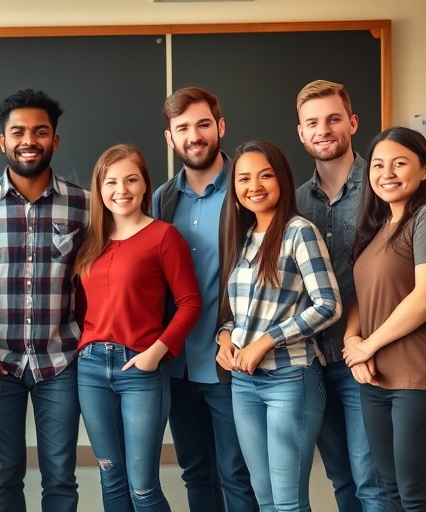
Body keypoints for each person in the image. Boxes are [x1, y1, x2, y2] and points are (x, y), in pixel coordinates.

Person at [0, 89, 89, 512]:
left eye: (40, 132)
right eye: (19, 132)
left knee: (61, 477)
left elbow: (95, 287)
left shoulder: (85, 207)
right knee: (5, 474)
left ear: (55, 140)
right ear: (3, 141)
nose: (29, 140)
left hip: (62, 360)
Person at [343, 127, 426, 512]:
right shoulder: (379, 229)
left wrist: (369, 344)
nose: (387, 173)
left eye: (400, 163)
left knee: (417, 497)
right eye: (378, 165)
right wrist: (352, 343)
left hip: (421, 376)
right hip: (377, 378)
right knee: (393, 492)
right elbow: (362, 298)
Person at [75, 144, 201, 511]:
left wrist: (155, 353)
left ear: (146, 185)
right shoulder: (91, 242)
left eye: (131, 180)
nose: (122, 189)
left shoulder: (164, 236)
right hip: (92, 369)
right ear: (99, 189)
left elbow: (190, 303)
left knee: (142, 487)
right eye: (111, 182)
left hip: (140, 369)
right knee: (111, 479)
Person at [216, 140, 341, 511]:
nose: (254, 185)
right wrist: (225, 338)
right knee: (265, 496)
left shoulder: (298, 231)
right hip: (244, 382)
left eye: (265, 175)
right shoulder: (242, 239)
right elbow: (238, 314)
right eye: (244, 178)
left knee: (287, 502)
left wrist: (266, 341)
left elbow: (328, 304)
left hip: (291, 380)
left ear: (282, 180)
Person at [151, 87, 258, 512]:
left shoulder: (248, 189)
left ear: (220, 127)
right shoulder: (162, 199)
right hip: (177, 363)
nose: (194, 136)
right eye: (183, 128)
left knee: (237, 473)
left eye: (202, 124)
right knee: (196, 472)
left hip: (232, 359)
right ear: (170, 138)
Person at [294, 79, 387, 511]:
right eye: (312, 122)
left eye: (333, 119)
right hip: (313, 362)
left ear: (352, 122)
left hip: (369, 359)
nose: (323, 129)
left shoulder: (383, 189)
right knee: (341, 480)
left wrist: (366, 341)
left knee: (373, 482)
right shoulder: (292, 204)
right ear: (301, 132)